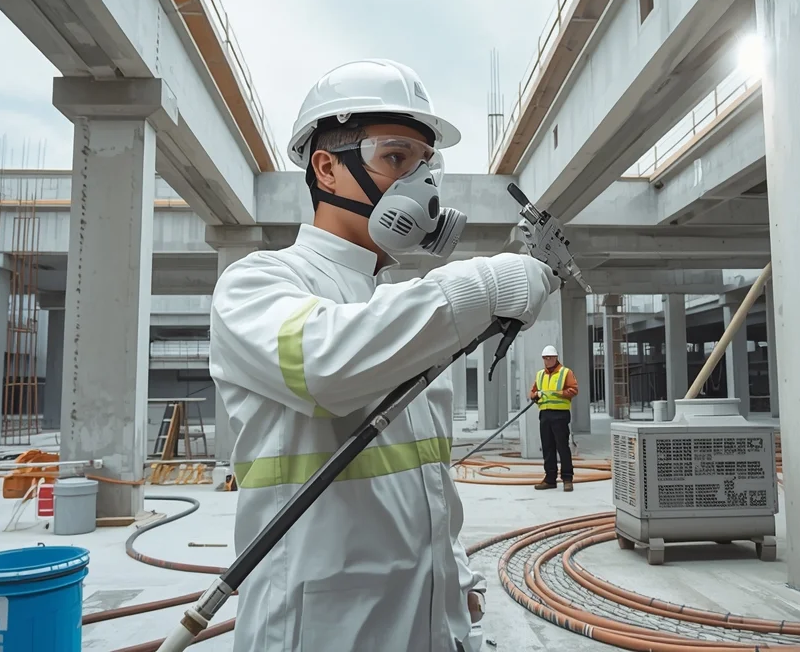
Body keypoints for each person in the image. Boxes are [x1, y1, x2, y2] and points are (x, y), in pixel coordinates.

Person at [209, 59, 561, 652]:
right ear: (327, 168)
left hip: (430, 627)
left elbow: (431, 482)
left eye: (426, 166)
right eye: (395, 158)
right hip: (319, 630)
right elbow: (328, 363)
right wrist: (480, 285)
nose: (418, 187)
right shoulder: (258, 285)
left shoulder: (401, 314)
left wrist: (458, 580)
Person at [528, 344, 578, 492]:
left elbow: (574, 390)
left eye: (550, 358)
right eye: (545, 358)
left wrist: (558, 393)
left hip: (560, 415)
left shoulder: (565, 372)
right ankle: (550, 479)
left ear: (556, 358)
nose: (547, 360)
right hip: (545, 415)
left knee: (562, 447)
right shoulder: (540, 375)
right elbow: (532, 392)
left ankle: (567, 478)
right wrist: (536, 395)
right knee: (548, 447)